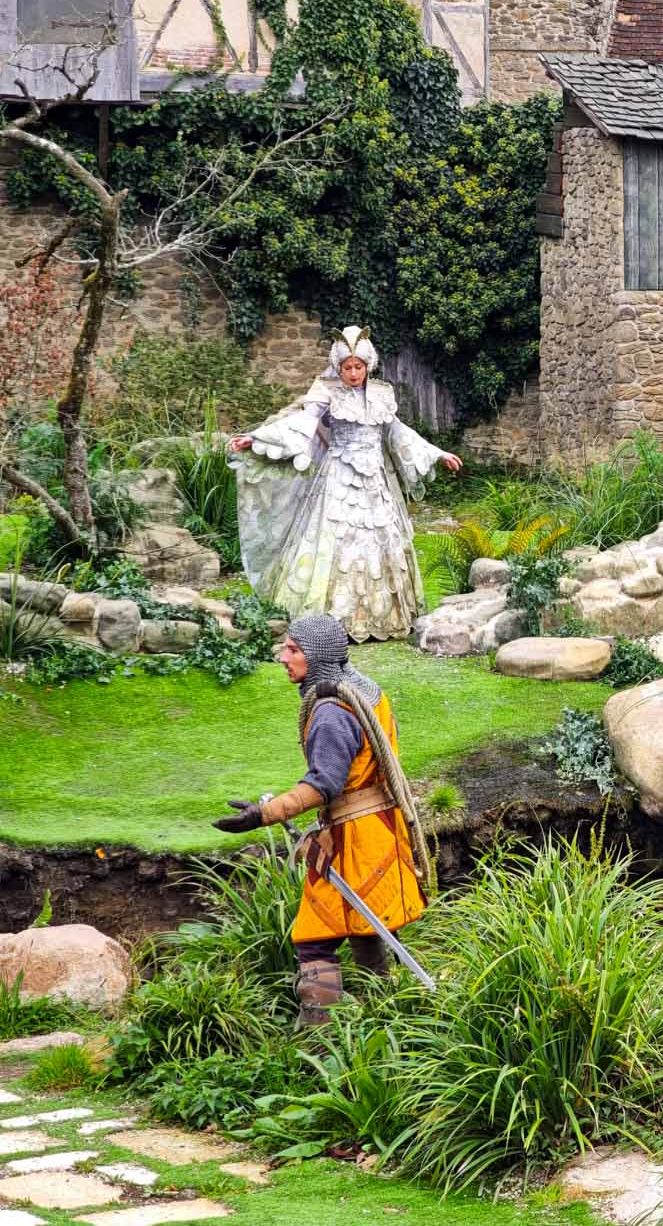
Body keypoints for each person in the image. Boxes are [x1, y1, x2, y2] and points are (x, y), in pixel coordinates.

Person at [212, 613, 428, 1026]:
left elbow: (323, 785)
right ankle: (386, 1019)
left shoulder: (331, 713)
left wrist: (265, 813)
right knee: (367, 926)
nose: (283, 657)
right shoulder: (366, 692)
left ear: (318, 655)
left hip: (354, 838)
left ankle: (319, 1039)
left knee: (314, 939)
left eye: (293, 649)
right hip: (379, 830)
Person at [228, 327, 461, 642]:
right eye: (347, 367)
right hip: (338, 480)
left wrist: (437, 453)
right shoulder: (326, 392)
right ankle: (328, 621)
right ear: (338, 368)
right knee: (335, 543)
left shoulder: (381, 395)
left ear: (368, 366)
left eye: (358, 367)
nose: (353, 373)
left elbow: (398, 433)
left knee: (380, 541)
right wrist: (256, 438)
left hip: (375, 485)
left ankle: (381, 616)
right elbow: (302, 423)